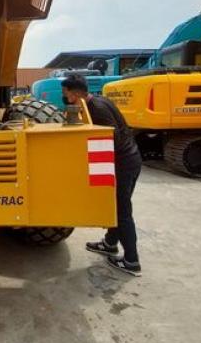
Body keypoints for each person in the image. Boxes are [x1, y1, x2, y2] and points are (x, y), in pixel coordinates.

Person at [61, 74, 143, 275]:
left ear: (73, 93)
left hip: (123, 163)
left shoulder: (96, 109)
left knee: (122, 211)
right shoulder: (100, 100)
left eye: (65, 93)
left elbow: (110, 137)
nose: (65, 97)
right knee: (113, 207)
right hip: (130, 159)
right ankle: (109, 243)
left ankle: (132, 261)